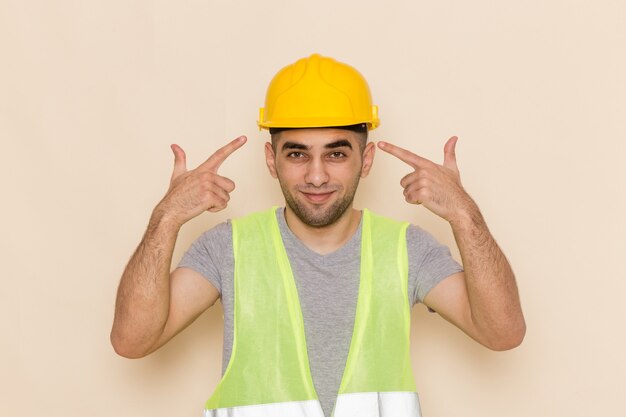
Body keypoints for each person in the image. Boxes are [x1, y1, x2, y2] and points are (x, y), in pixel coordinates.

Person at [111, 53, 525, 417]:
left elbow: (503, 333)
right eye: (296, 153)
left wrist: (464, 215)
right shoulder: (228, 249)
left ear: (366, 160)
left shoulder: (406, 250)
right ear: (271, 160)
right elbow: (132, 341)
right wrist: (166, 217)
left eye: (336, 153)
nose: (316, 175)